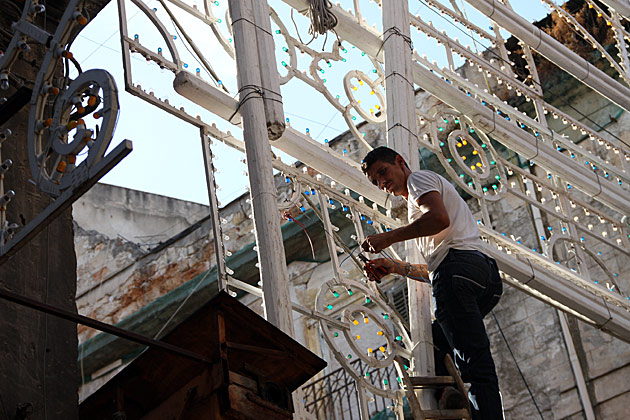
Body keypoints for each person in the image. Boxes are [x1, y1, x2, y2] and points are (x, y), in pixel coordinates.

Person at [360, 146, 503, 420]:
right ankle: (449, 394)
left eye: (383, 172)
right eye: (376, 182)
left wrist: (388, 238)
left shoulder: (418, 180)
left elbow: (438, 219)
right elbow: (438, 268)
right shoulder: (419, 206)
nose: (382, 182)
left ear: (400, 161)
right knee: (435, 339)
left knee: (474, 366)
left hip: (457, 272)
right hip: (481, 275)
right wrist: (394, 267)